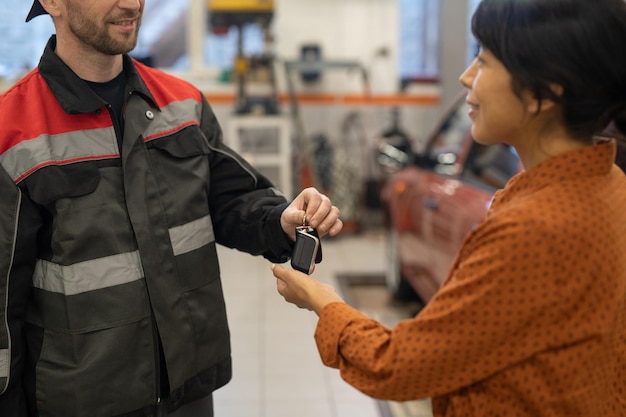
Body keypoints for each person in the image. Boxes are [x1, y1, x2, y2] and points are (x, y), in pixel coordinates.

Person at [272, 0, 626, 415]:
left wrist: (321, 300)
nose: (466, 76)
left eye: (485, 61)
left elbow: (397, 366)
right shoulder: (608, 184)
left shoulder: (535, 229)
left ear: (545, 92)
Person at [0, 1, 343, 416]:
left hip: (187, 389)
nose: (132, 3)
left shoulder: (182, 104)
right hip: (85, 399)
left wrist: (280, 219)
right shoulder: (12, 130)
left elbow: (230, 199)